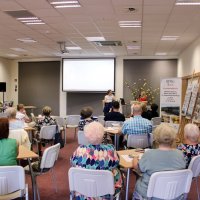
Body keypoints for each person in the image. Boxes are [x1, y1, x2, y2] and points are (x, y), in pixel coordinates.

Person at [132, 124, 186, 199]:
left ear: (156, 138)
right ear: (173, 138)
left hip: (149, 194)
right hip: (174, 193)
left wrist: (134, 159)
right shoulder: (180, 154)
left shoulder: (149, 154)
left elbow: (138, 169)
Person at [71, 121, 122, 199]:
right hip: (106, 193)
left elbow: (72, 162)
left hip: (83, 191)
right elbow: (116, 162)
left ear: (86, 135)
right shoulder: (111, 149)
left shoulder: (80, 150)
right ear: (102, 135)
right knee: (116, 171)